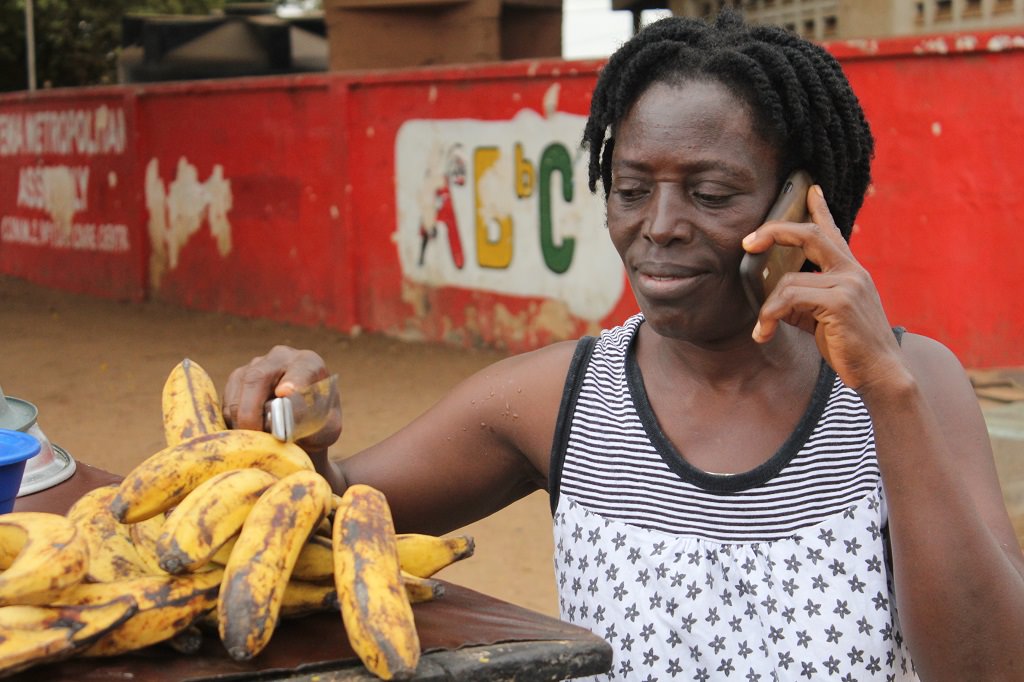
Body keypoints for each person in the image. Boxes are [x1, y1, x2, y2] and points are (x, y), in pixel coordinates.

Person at [223, 11, 1024, 681]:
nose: (660, 226)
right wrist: (298, 430)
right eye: (631, 190)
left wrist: (888, 392)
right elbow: (328, 518)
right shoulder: (555, 399)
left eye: (710, 194)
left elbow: (990, 666)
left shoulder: (911, 384)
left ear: (803, 206)